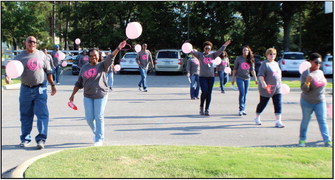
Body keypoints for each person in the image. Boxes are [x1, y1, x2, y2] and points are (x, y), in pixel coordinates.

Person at [69, 40, 126, 146]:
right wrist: (72, 95)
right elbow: (79, 82)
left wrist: (118, 48)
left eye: (95, 56)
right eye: (91, 56)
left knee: (99, 116)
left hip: (101, 95)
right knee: (89, 118)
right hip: (88, 96)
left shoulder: (102, 65)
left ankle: (99, 138)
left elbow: (110, 58)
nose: (93, 57)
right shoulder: (84, 67)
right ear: (88, 57)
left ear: (98, 56)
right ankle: (96, 132)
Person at [5, 36, 57, 149]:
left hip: (40, 89)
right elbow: (11, 68)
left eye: (34, 42)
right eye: (30, 41)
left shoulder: (42, 55)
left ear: (36, 44)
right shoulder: (20, 57)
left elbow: (48, 72)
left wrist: (53, 85)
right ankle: (25, 138)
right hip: (26, 89)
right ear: (25, 43)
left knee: (42, 114)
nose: (32, 43)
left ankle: (41, 139)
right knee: (25, 115)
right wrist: (8, 76)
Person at [298, 52, 332, 147]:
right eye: (316, 62)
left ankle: (327, 140)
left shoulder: (320, 72)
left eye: (320, 63)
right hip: (307, 101)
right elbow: (304, 90)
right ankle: (302, 140)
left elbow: (323, 85)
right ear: (311, 62)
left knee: (322, 120)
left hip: (320, 101)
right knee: (305, 120)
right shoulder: (306, 73)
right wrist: (307, 82)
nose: (318, 64)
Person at [191, 40, 231, 116]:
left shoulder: (212, 55)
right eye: (206, 48)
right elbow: (192, 51)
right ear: (204, 48)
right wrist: (188, 46)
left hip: (211, 77)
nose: (207, 50)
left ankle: (207, 109)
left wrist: (224, 45)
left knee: (209, 93)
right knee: (204, 91)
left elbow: (220, 51)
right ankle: (201, 106)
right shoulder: (200, 55)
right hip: (202, 77)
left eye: (209, 48)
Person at [253, 48, 285, 128]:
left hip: (277, 87)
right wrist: (263, 83)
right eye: (270, 54)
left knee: (278, 103)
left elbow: (278, 75)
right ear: (267, 55)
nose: (272, 56)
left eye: (274, 54)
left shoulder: (276, 64)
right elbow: (260, 75)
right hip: (267, 88)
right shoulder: (265, 64)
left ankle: (278, 121)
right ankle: (257, 117)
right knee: (263, 103)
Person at [231, 45, 258, 116]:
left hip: (247, 78)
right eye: (244, 50)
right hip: (239, 78)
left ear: (249, 51)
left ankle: (243, 109)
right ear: (242, 51)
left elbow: (252, 70)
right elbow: (235, 69)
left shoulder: (251, 59)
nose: (245, 51)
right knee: (242, 92)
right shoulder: (239, 58)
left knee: (245, 94)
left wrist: (255, 79)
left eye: (246, 50)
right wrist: (233, 79)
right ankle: (241, 109)